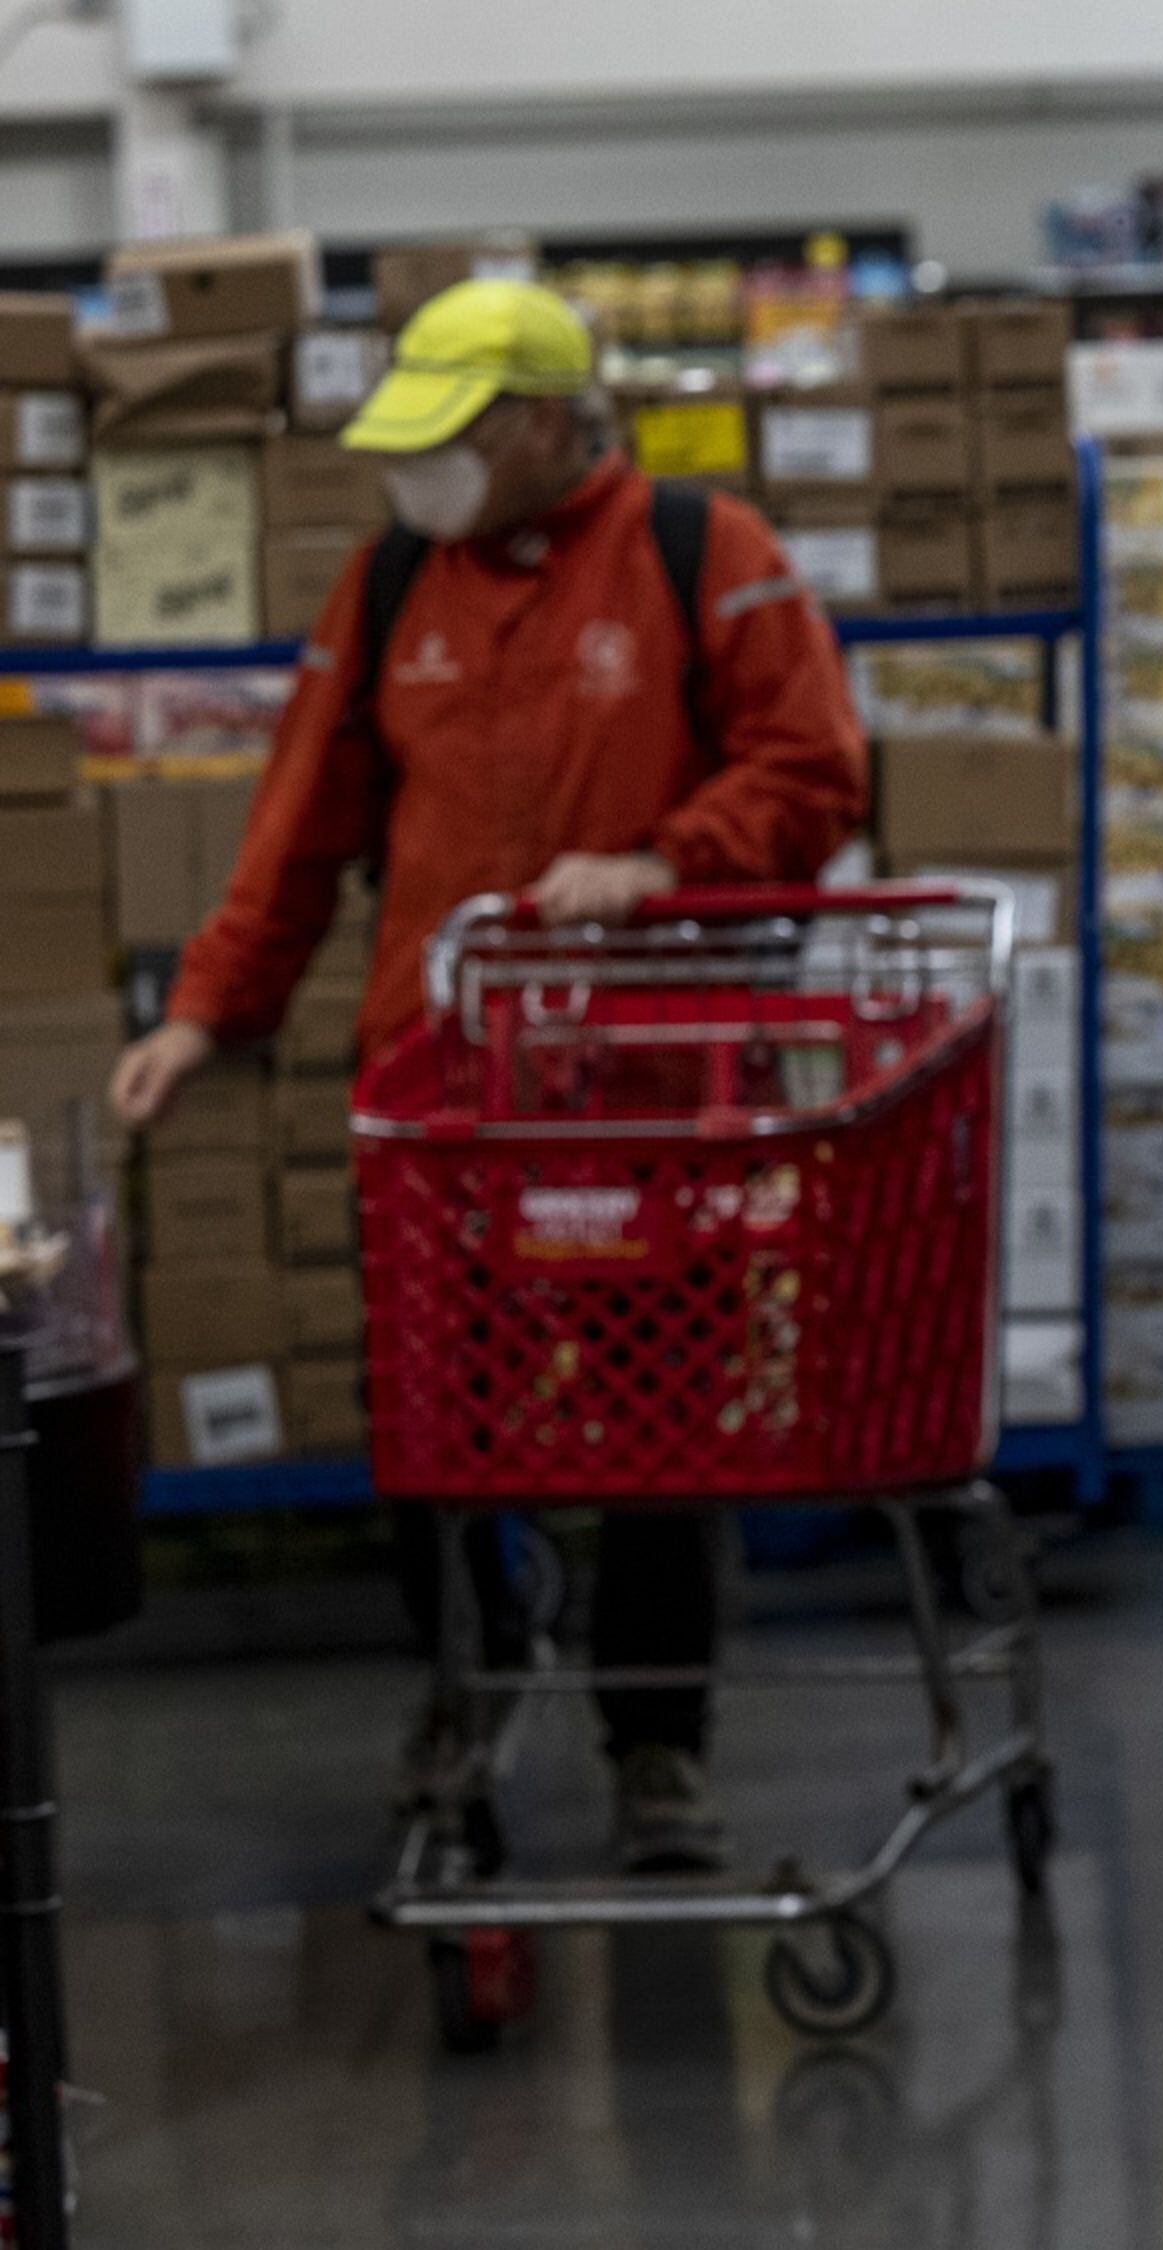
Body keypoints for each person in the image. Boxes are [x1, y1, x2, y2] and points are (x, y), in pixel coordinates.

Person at [107, 277, 867, 1871]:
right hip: (442, 1092)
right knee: (431, 1415)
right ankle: (467, 1676)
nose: (414, 474)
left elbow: (812, 767)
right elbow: (301, 823)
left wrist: (668, 861)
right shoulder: (393, 586)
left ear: (537, 422)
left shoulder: (699, 553)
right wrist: (201, 1014)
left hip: (648, 1085)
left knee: (664, 1412)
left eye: (445, 439)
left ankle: (657, 1737)